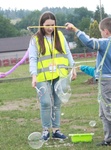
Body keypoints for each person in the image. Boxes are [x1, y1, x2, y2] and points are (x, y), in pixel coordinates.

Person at [66, 17, 111, 146]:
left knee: (109, 113)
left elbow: (88, 42)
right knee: (103, 113)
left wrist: (75, 29)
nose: (100, 34)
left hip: (105, 81)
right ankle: (110, 138)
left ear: (105, 31)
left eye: (100, 31)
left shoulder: (106, 43)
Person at [28, 11, 77, 141]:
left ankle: (56, 130)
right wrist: (34, 76)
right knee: (45, 103)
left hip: (59, 75)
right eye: (47, 25)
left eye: (52, 25)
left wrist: (73, 69)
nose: (50, 28)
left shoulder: (60, 36)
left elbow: (67, 53)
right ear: (41, 25)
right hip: (42, 76)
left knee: (57, 102)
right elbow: (32, 59)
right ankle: (45, 130)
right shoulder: (35, 39)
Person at [78, 65, 111, 139]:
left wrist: (82, 67)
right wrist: (82, 67)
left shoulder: (102, 72)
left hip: (110, 98)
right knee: (110, 115)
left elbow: (92, 71)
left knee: (110, 115)